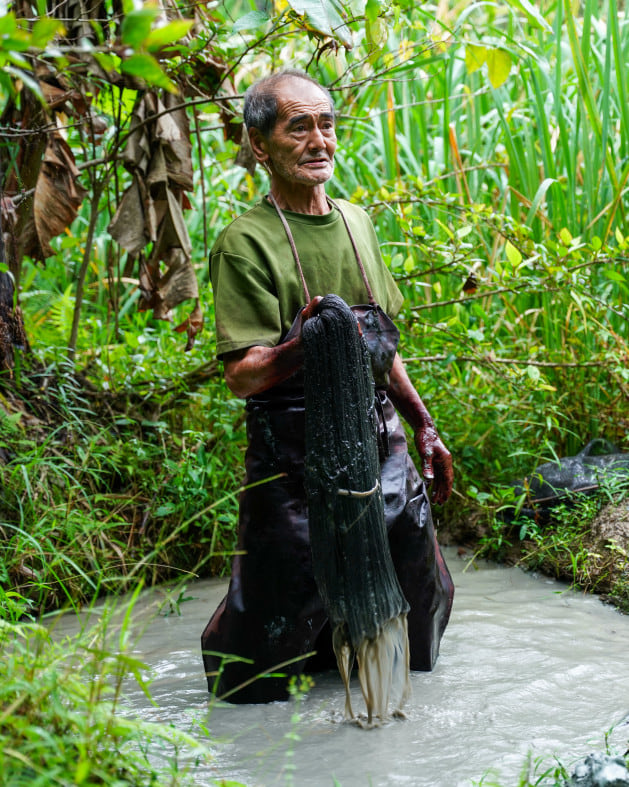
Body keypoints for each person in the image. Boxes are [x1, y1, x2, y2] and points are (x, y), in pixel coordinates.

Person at [201, 70, 454, 704]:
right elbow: (244, 375)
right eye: (299, 127)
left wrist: (423, 424)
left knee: (415, 584)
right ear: (260, 145)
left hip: (377, 439)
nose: (320, 141)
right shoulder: (245, 242)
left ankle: (394, 704)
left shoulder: (356, 223)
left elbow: (380, 349)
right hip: (292, 454)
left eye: (327, 124)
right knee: (273, 619)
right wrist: (308, 343)